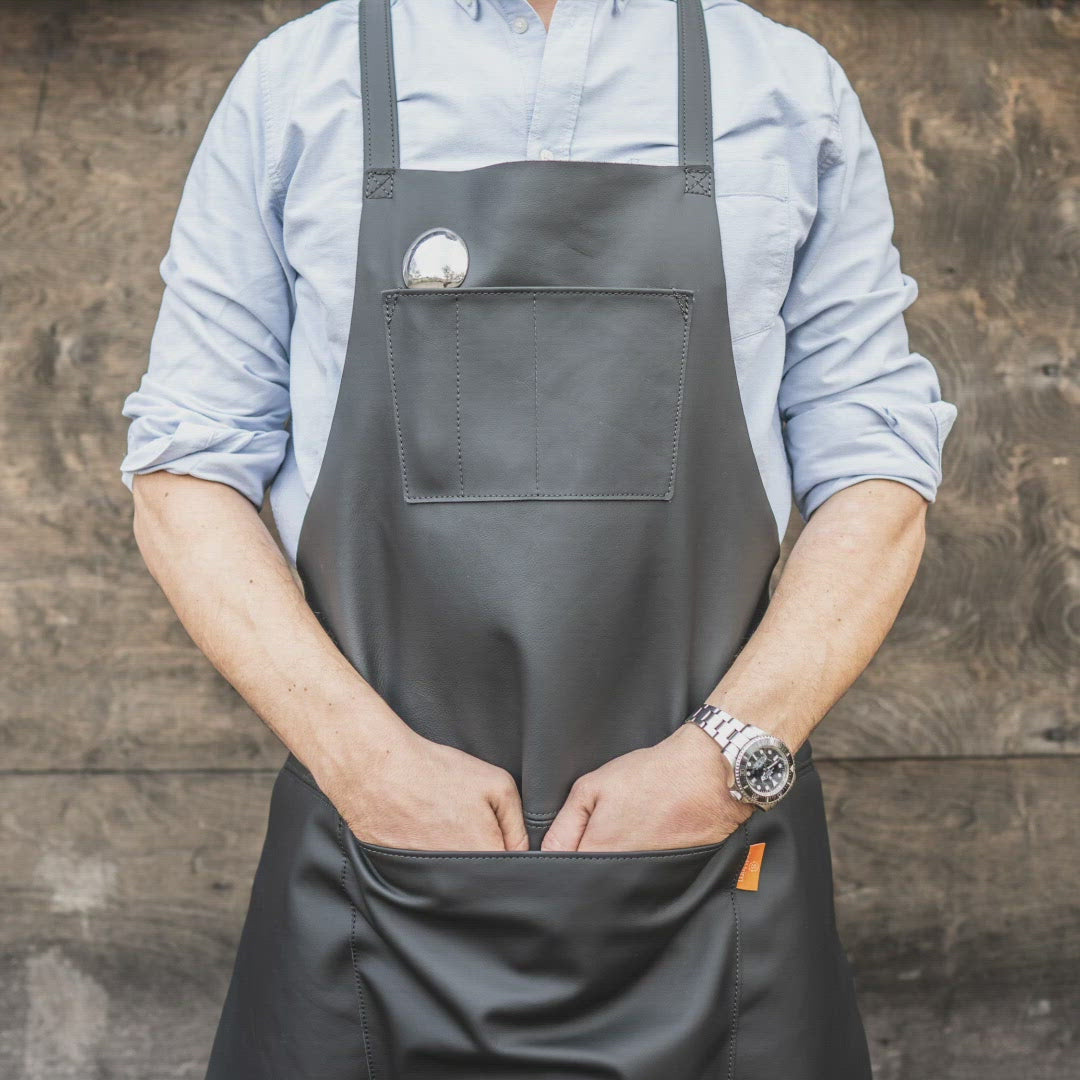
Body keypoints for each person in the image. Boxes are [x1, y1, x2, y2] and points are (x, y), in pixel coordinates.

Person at [120, 1, 957, 1077]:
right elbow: (183, 475)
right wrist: (367, 762)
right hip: (372, 866)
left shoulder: (786, 91)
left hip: (712, 862)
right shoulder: (296, 86)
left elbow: (879, 468)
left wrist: (723, 761)